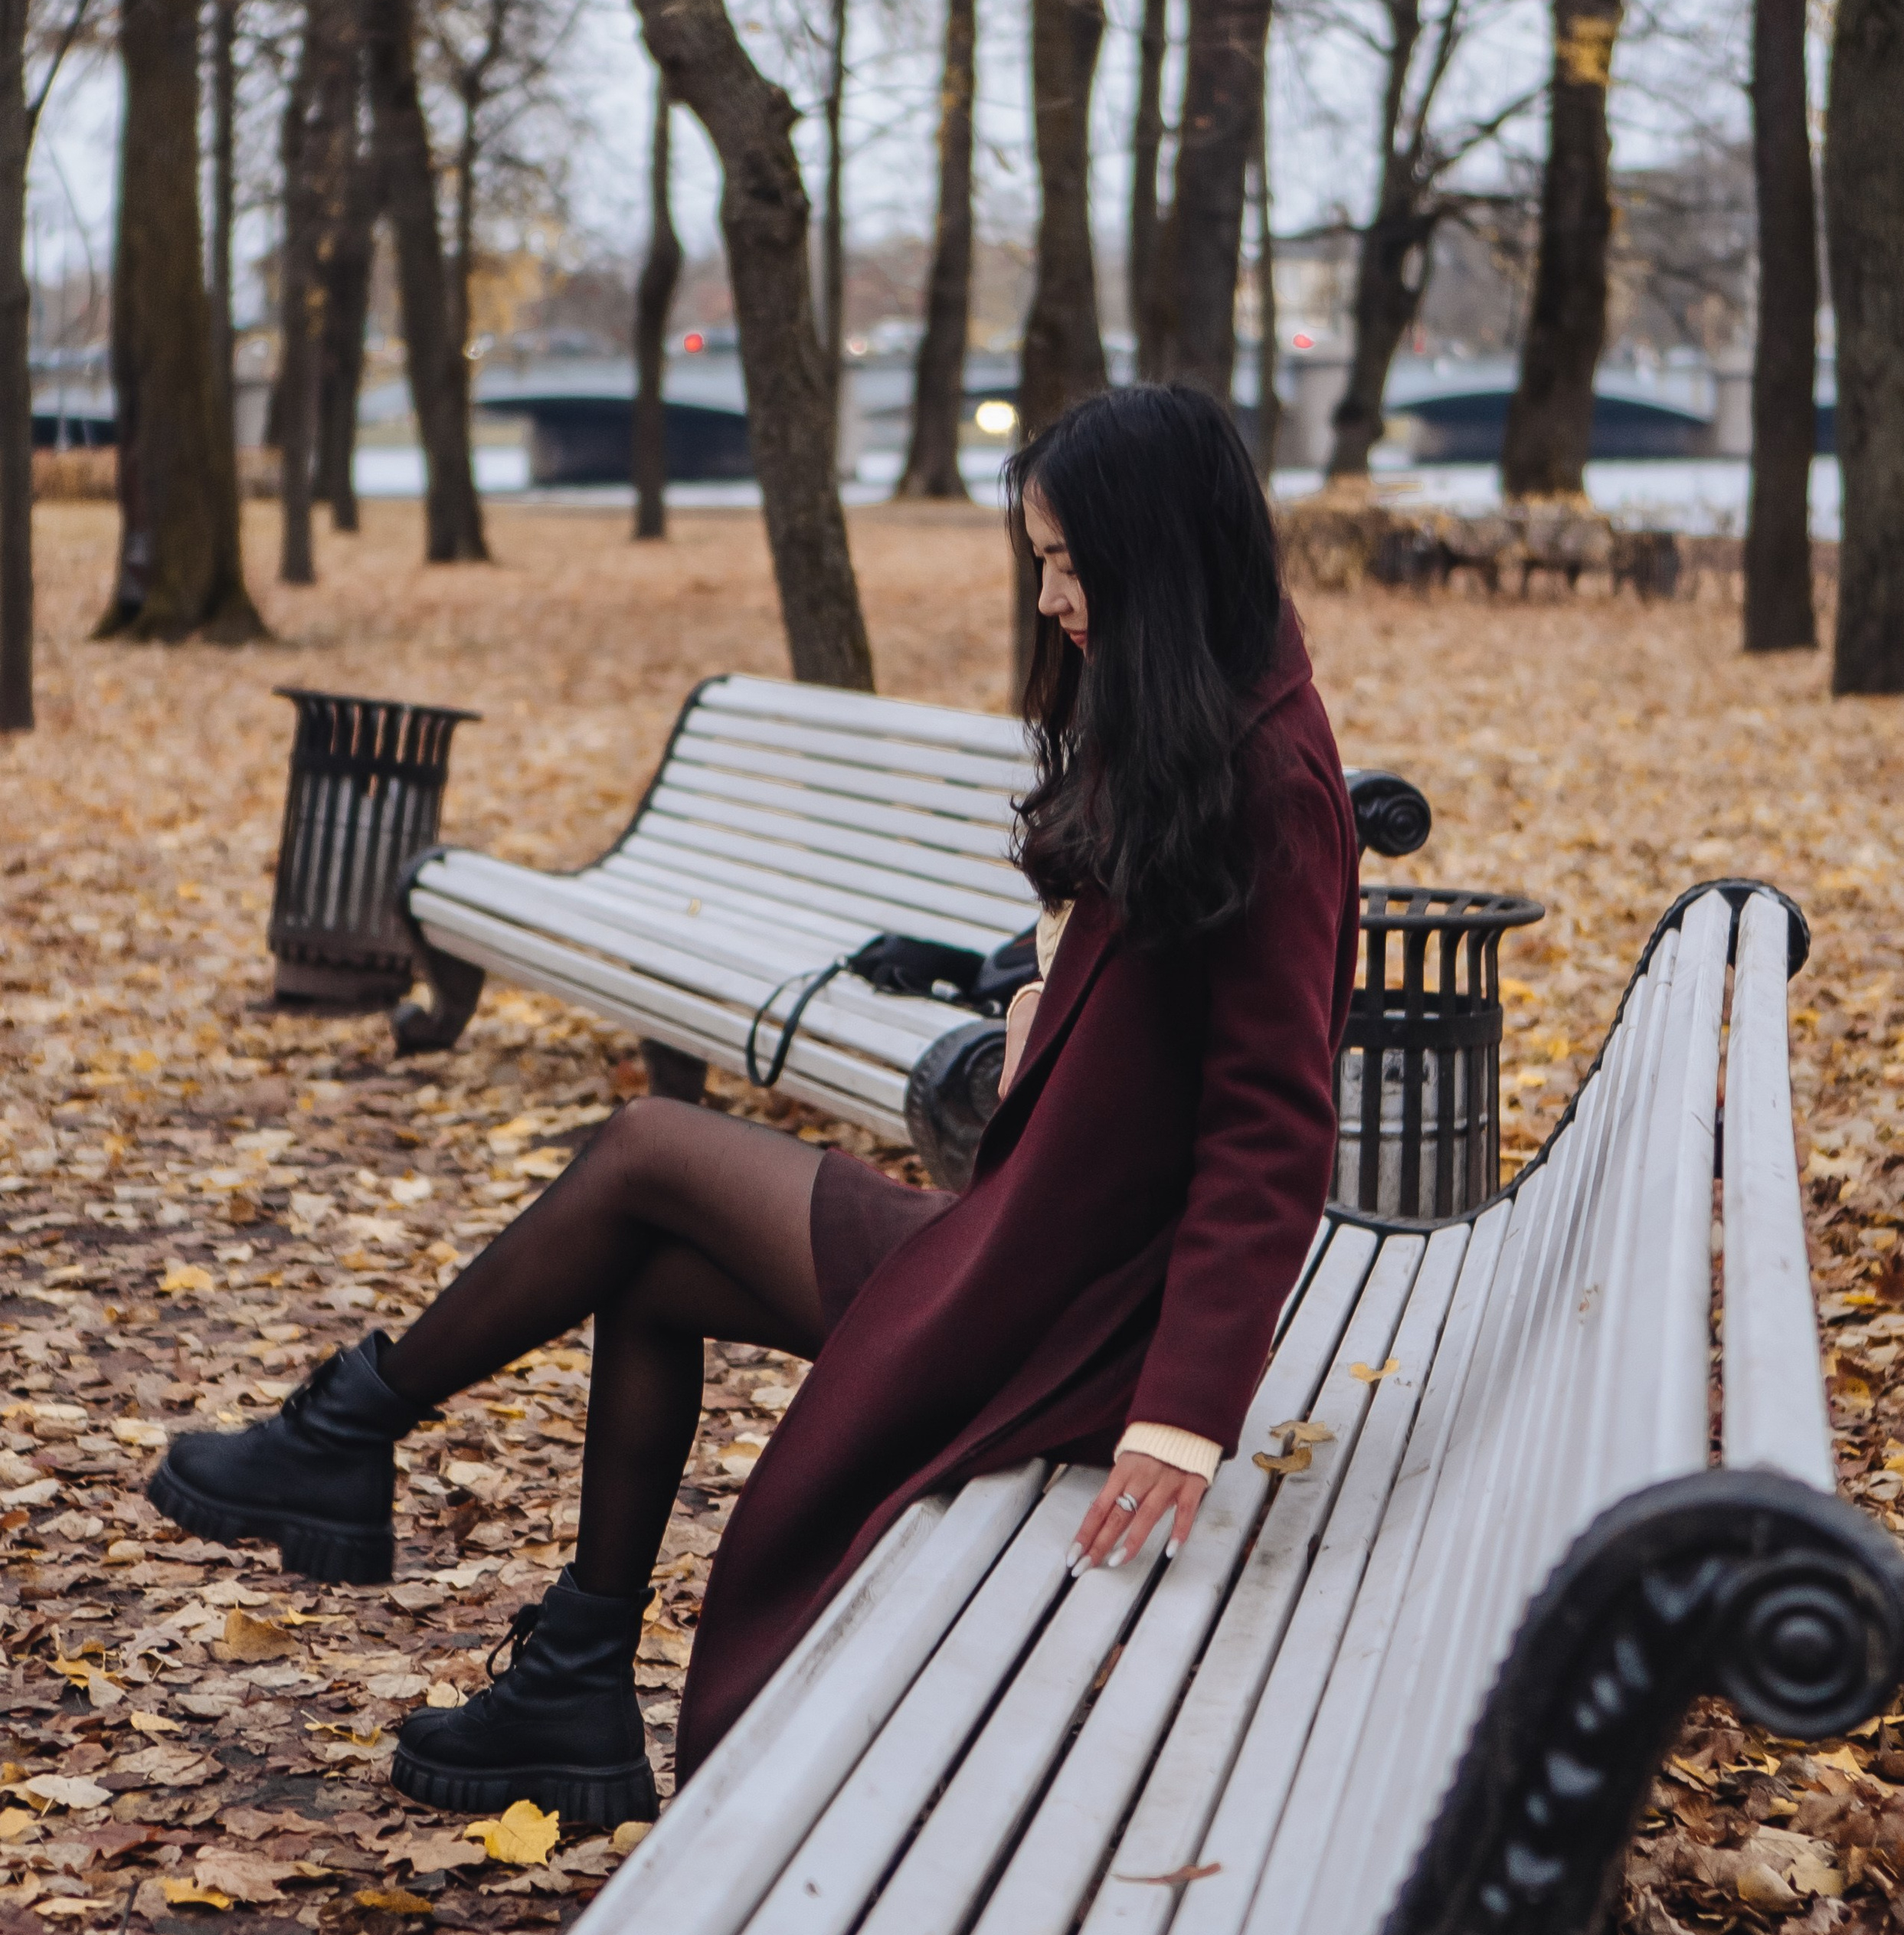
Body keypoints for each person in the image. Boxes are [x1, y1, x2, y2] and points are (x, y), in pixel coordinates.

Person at [146, 385, 1359, 1825]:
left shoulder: (1273, 779)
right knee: (652, 1270)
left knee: (649, 1149)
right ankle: (570, 1683)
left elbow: (1273, 1128)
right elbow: (1149, 1015)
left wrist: (1182, 1416)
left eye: (1070, 565)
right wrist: (1046, 1010)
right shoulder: (1201, 709)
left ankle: (350, 1439)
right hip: (1028, 1243)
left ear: (1156, 559)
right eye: (1039, 560)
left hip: (1072, 1319)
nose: (1050, 599)